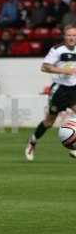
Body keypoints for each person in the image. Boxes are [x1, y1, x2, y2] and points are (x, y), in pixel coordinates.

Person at [25, 24, 76, 161]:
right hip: (59, 90)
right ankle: (32, 141)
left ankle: (74, 147)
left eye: (74, 35)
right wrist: (64, 71)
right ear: (64, 37)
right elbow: (44, 67)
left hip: (74, 90)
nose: (72, 38)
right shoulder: (57, 50)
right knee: (49, 122)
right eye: (69, 35)